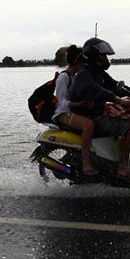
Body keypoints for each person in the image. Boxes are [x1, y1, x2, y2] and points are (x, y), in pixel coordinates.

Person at [70, 37, 130, 179]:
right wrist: (116, 99)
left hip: (98, 114)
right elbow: (96, 90)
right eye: (103, 55)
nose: (106, 58)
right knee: (129, 128)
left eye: (106, 55)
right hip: (89, 117)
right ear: (93, 56)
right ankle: (122, 167)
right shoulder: (84, 73)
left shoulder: (98, 72)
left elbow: (115, 86)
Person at [51, 45, 97, 176]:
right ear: (77, 62)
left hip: (72, 111)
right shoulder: (64, 77)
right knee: (88, 124)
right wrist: (79, 104)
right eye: (83, 63)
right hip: (62, 113)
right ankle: (85, 163)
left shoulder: (75, 76)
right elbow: (61, 102)